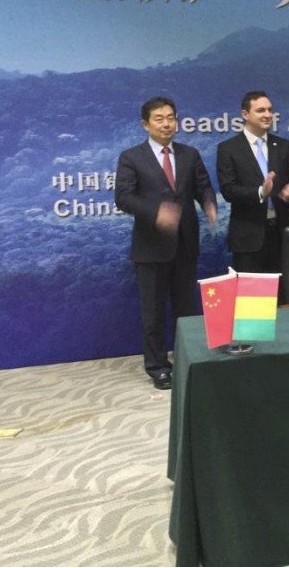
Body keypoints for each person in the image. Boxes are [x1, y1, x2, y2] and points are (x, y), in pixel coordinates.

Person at [115, 96, 217, 390]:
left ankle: (187, 360)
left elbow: (203, 187)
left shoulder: (189, 154)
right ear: (145, 124)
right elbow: (123, 198)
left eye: (171, 117)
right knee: (154, 313)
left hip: (185, 244)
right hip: (150, 247)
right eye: (159, 119)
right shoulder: (131, 158)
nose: (166, 124)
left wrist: (209, 204)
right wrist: (156, 212)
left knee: (186, 310)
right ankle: (158, 367)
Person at [216, 91, 289, 297]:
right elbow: (228, 190)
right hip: (249, 235)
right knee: (253, 301)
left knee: (286, 298)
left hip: (283, 234)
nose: (268, 115)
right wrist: (260, 191)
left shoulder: (284, 146)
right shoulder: (228, 148)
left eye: (270, 110)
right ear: (245, 114)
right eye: (261, 110)